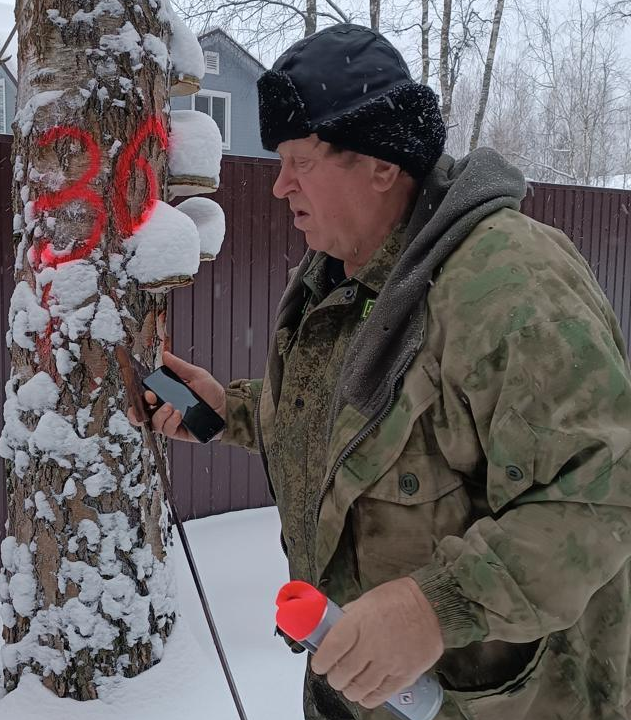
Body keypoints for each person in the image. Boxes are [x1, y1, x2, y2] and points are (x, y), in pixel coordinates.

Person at [130, 22, 631, 720]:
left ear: (381, 163)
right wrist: (234, 409)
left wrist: (435, 607)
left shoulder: (508, 283)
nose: (279, 187)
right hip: (360, 698)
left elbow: (601, 500)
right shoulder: (346, 274)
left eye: (300, 161)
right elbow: (370, 425)